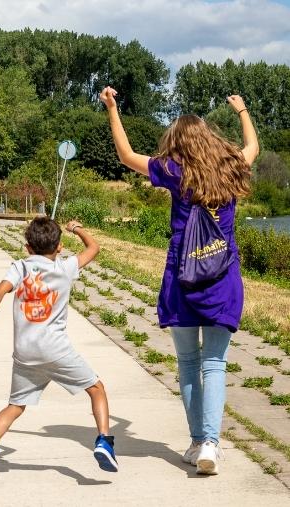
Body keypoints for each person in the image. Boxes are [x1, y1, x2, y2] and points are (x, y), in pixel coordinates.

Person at [100, 86, 258, 475]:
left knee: (189, 362)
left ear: (177, 143)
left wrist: (112, 108)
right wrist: (242, 110)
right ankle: (210, 444)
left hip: (183, 275)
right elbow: (252, 144)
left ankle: (196, 442)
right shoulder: (233, 164)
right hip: (223, 277)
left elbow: (125, 156)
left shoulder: (174, 170)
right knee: (215, 363)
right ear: (208, 138)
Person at [0, 217, 118, 487]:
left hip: (25, 353)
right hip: (56, 350)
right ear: (59, 247)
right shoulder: (65, 268)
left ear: (27, 247)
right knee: (96, 388)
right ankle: (104, 441)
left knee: (15, 406)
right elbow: (94, 248)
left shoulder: (20, 268)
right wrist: (77, 228)